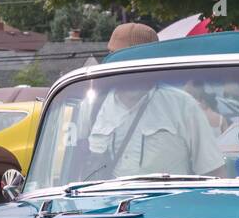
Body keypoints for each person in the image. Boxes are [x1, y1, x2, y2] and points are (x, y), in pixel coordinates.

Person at [79, 23, 225, 179]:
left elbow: (214, 172)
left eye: (131, 59)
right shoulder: (91, 105)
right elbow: (77, 168)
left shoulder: (182, 105)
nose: (122, 68)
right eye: (116, 59)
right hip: (106, 201)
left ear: (150, 61)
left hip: (169, 202)